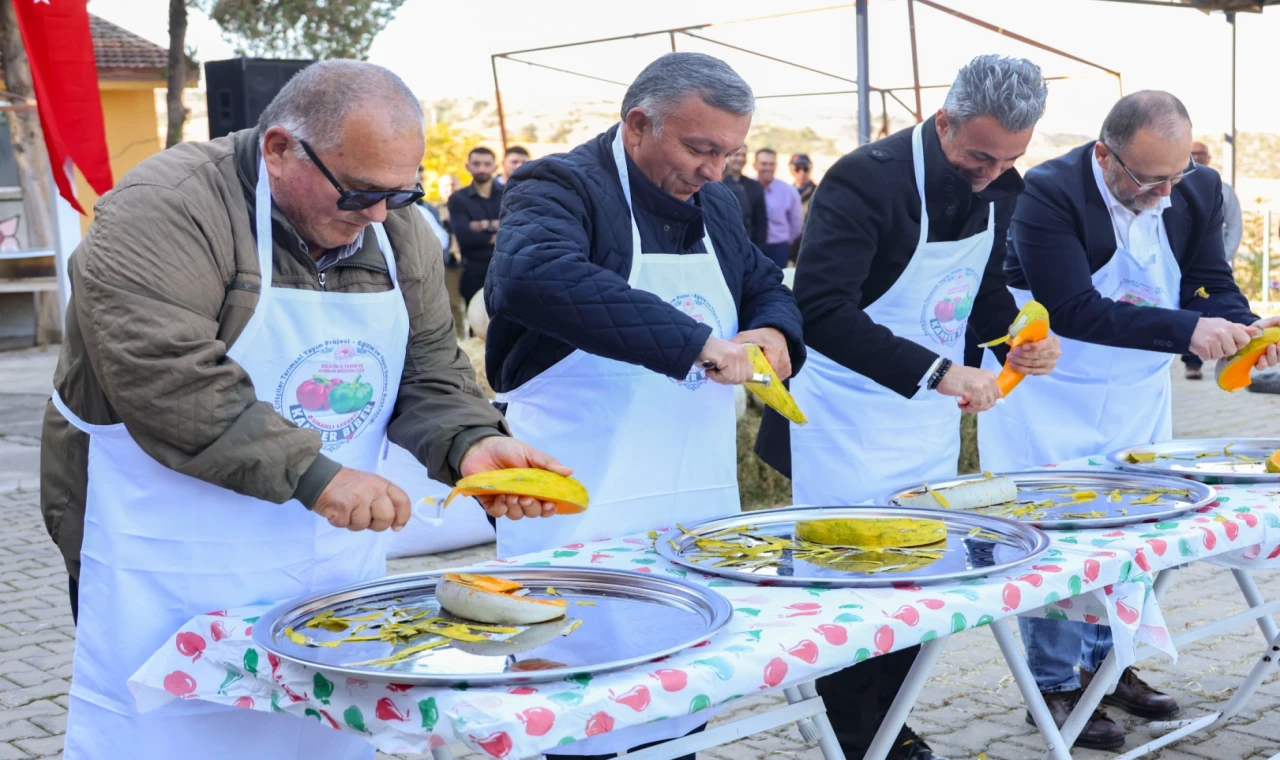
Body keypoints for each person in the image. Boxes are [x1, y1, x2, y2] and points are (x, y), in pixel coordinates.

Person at [42, 61, 568, 760]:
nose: (380, 214)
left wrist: (471, 442)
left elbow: (428, 366)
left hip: (325, 555)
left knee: (313, 731)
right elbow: (166, 378)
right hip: (164, 553)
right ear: (280, 148)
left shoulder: (395, 228)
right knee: (171, 730)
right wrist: (318, 476)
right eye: (358, 193)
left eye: (400, 192)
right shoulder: (164, 207)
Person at [485, 51, 805, 759]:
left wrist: (775, 329)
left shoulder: (717, 201)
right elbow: (533, 276)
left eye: (729, 152)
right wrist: (697, 343)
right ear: (637, 125)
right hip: (578, 506)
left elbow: (764, 281)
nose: (715, 170)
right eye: (700, 148)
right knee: (574, 702)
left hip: (688, 496)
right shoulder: (560, 185)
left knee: (674, 691)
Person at [756, 54, 1062, 760]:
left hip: (923, 417)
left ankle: (887, 725)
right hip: (847, 414)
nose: (991, 173)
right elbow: (822, 309)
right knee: (851, 583)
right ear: (944, 120)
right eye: (978, 156)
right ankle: (858, 735)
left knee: (919, 579)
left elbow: (978, 291)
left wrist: (1014, 338)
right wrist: (937, 371)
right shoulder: (867, 179)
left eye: (1009, 159)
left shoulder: (999, 185)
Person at [978, 91, 1279, 750]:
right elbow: (1075, 306)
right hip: (1050, 391)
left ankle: (1109, 666)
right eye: (1145, 179)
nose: (1161, 193)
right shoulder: (1050, 193)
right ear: (1103, 154)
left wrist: (1240, 321)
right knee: (1064, 537)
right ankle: (1053, 685)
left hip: (1135, 391)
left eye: (1172, 177)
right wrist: (1188, 331)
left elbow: (1205, 282)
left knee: (1135, 531)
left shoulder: (1194, 190)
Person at [1182, 140, 1245, 378]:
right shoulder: (1168, 183)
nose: (1196, 157)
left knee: (1211, 308)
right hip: (1178, 265)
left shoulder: (1217, 187)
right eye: (1192, 153)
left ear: (1208, 158)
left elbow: (1234, 227)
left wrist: (1222, 258)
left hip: (1212, 264)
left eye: (1201, 154)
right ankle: (1192, 363)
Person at [448, 146, 504, 305]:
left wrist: (484, 225)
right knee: (477, 324)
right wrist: (500, 228)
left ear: (495, 167)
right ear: (468, 166)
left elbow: (517, 230)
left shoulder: (508, 193)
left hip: (507, 271)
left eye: (487, 164)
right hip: (474, 273)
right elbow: (465, 236)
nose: (481, 169)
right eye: (476, 163)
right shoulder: (458, 199)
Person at [755, 147, 803, 268]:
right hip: (752, 246)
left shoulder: (788, 191)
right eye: (764, 164)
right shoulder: (746, 188)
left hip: (778, 248)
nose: (768, 168)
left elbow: (796, 224)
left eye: (772, 164)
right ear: (755, 165)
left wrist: (784, 243)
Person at [724, 143, 769, 249]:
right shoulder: (716, 184)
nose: (740, 159)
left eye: (743, 155)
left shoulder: (754, 186)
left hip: (747, 245)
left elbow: (760, 221)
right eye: (736, 155)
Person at [415, 164, 451, 254]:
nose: (419, 183)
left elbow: (442, 239)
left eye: (422, 179)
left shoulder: (430, 208)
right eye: (416, 179)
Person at [789, 152, 818, 261]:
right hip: (790, 247)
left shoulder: (819, 192)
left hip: (810, 245)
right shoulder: (787, 192)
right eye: (797, 168)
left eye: (805, 168)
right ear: (791, 170)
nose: (802, 173)